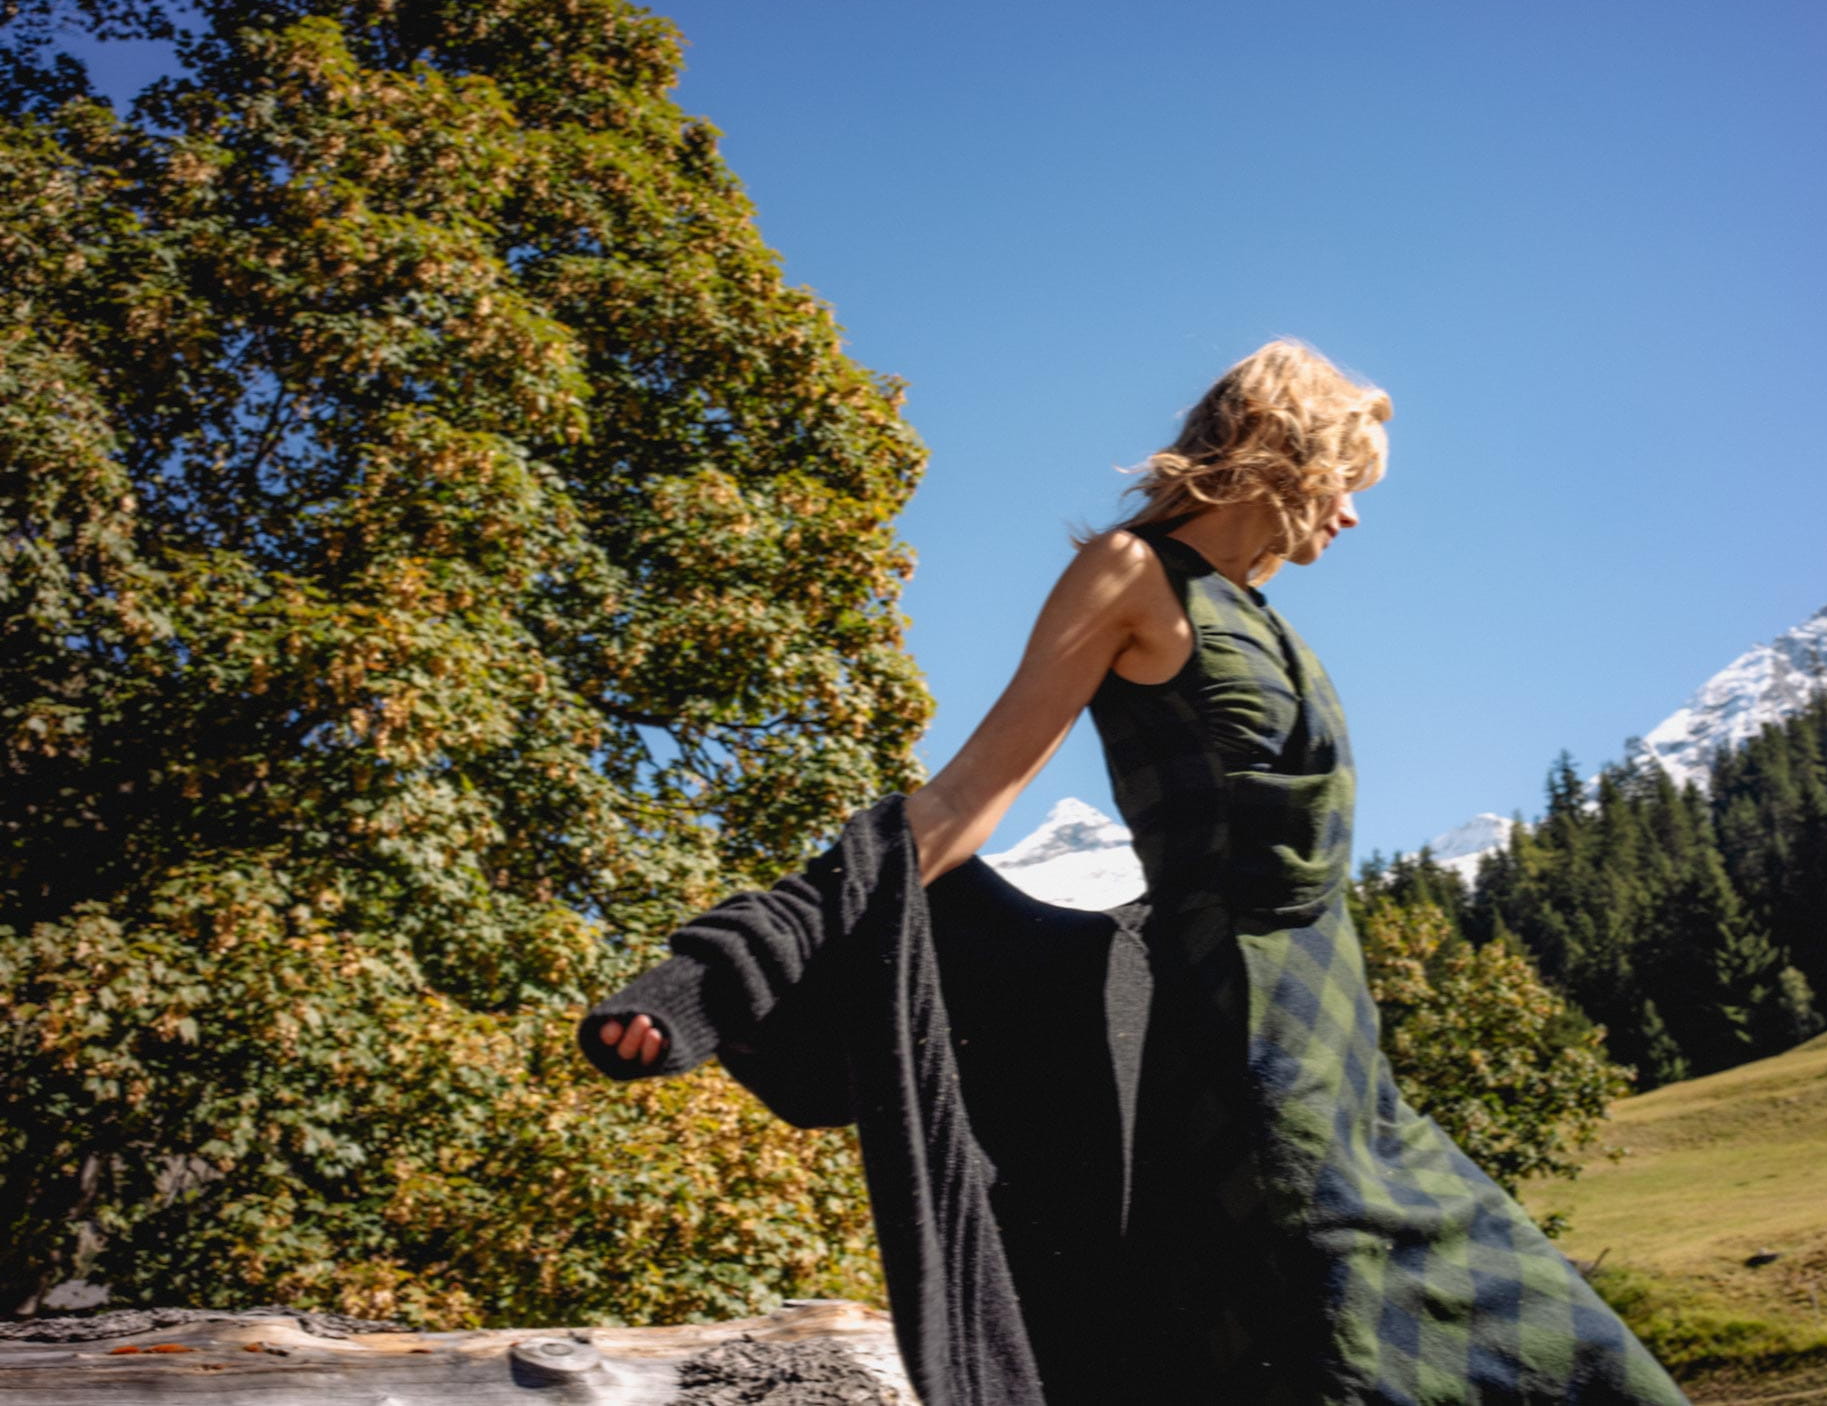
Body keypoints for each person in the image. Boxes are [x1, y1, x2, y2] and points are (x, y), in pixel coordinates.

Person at [589, 340, 1688, 1404]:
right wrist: (722, 971)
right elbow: (961, 802)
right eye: (1343, 481)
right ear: (1281, 450)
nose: (1349, 514)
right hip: (1237, 1032)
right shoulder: (1128, 574)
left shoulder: (1257, 615)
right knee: (1336, 1328)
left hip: (1340, 1041)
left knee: (1532, 1323)